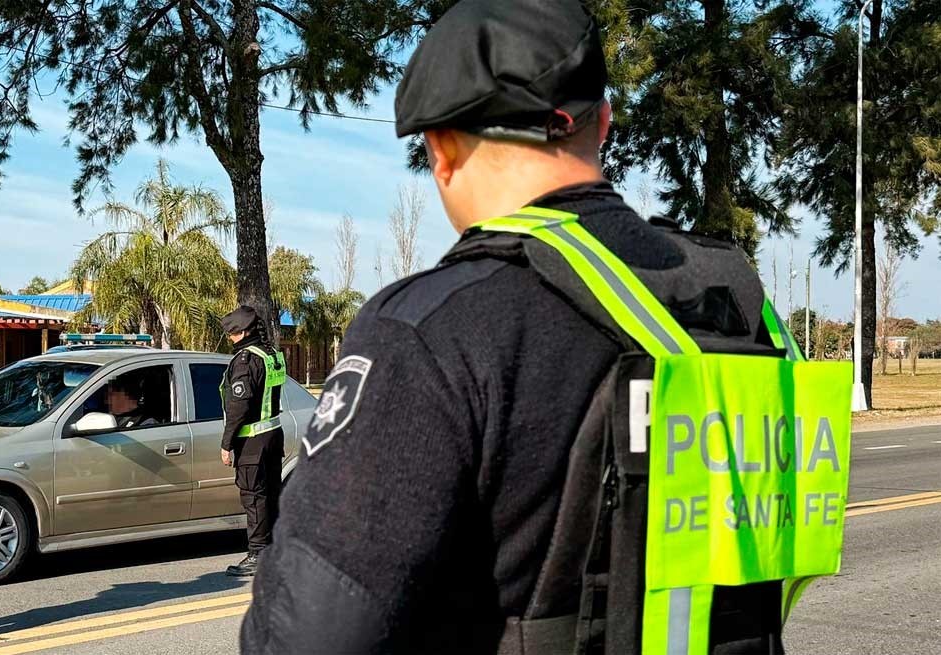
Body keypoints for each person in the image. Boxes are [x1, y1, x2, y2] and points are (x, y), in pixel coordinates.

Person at [241, 1, 850, 653]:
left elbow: (306, 636)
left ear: (441, 150)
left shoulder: (428, 330)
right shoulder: (742, 301)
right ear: (605, 125)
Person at [219, 305, 287, 577]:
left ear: (244, 331)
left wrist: (226, 443)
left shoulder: (246, 360)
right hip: (272, 436)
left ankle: (258, 553)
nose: (231, 338)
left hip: (252, 441)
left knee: (254, 496)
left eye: (233, 333)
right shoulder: (271, 354)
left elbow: (239, 406)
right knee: (270, 494)